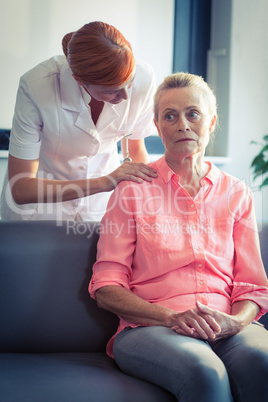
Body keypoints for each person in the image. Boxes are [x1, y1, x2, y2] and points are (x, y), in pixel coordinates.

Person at [89, 72, 268, 401]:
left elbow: (252, 287)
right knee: (205, 371)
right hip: (151, 328)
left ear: (211, 122)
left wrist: (235, 322)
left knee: (264, 360)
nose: (182, 124)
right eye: (170, 116)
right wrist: (171, 317)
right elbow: (106, 288)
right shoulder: (132, 190)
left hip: (226, 326)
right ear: (158, 127)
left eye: (193, 113)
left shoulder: (238, 193)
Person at [0, 21, 157, 222]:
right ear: (79, 80)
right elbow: (21, 188)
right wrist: (105, 182)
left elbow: (135, 151)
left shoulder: (144, 77)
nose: (125, 96)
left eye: (130, 84)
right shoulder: (36, 86)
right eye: (112, 91)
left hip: (101, 206)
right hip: (40, 208)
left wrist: (146, 209)